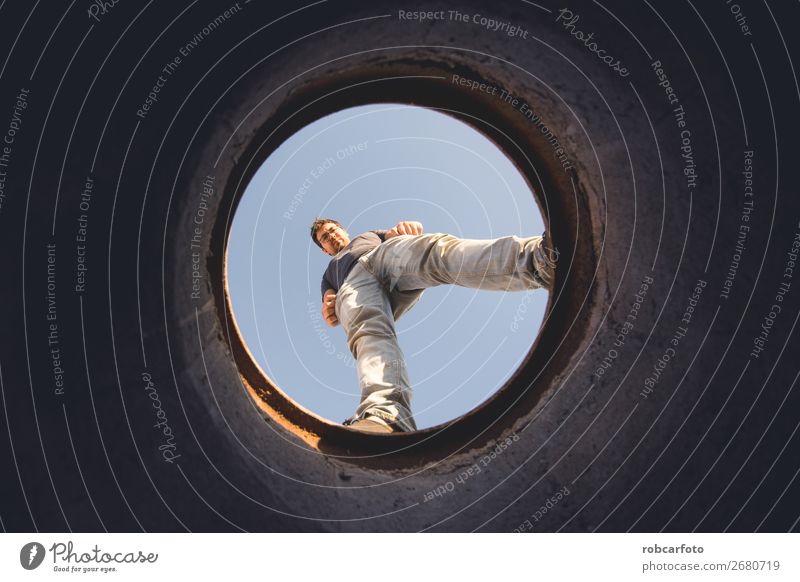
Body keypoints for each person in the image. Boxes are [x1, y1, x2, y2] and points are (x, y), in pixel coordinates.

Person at [311, 218, 556, 434]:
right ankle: (385, 416)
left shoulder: (369, 234)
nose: (331, 236)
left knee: (435, 252)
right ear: (324, 249)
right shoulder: (328, 275)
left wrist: (404, 228)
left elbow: (397, 233)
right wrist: (329, 307)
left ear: (343, 229)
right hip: (353, 283)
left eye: (333, 230)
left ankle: (539, 260)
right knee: (368, 331)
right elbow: (329, 302)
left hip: (382, 256)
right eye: (325, 238)